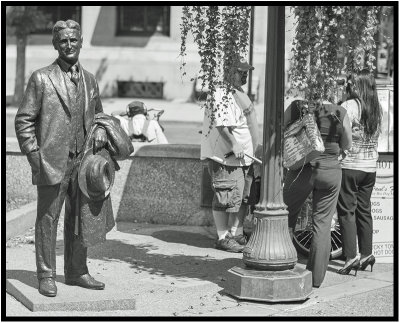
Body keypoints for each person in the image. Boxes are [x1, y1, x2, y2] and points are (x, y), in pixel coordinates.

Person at [15, 20, 108, 297]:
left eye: (73, 40)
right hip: (52, 162)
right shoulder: (41, 78)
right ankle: (45, 274)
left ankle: (77, 271)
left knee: (80, 219)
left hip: (84, 164)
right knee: (47, 219)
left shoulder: (90, 79)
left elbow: (100, 115)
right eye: (63, 41)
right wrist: (35, 157)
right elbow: (24, 121)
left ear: (81, 42)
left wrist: (102, 129)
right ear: (55, 44)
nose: (69, 45)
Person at [283, 98, 352, 287]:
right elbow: (347, 144)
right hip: (330, 171)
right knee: (322, 224)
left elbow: (281, 129)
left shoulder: (299, 106)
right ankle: (316, 279)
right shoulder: (340, 112)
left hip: (301, 170)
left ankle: (282, 265)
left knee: (284, 217)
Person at [200, 58, 259, 252]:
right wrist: (234, 144)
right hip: (226, 158)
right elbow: (221, 124)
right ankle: (222, 236)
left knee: (240, 198)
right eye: (240, 71)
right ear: (228, 72)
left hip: (243, 159)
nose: (244, 75)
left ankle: (236, 233)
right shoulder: (220, 92)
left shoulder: (237, 92)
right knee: (224, 197)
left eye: (246, 72)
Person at [336, 71, 382, 275]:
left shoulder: (350, 106)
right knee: (364, 210)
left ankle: (350, 256)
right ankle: (367, 254)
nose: (351, 85)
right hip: (369, 167)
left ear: (359, 85)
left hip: (351, 165)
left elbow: (339, 133)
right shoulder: (377, 108)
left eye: (354, 83)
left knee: (347, 211)